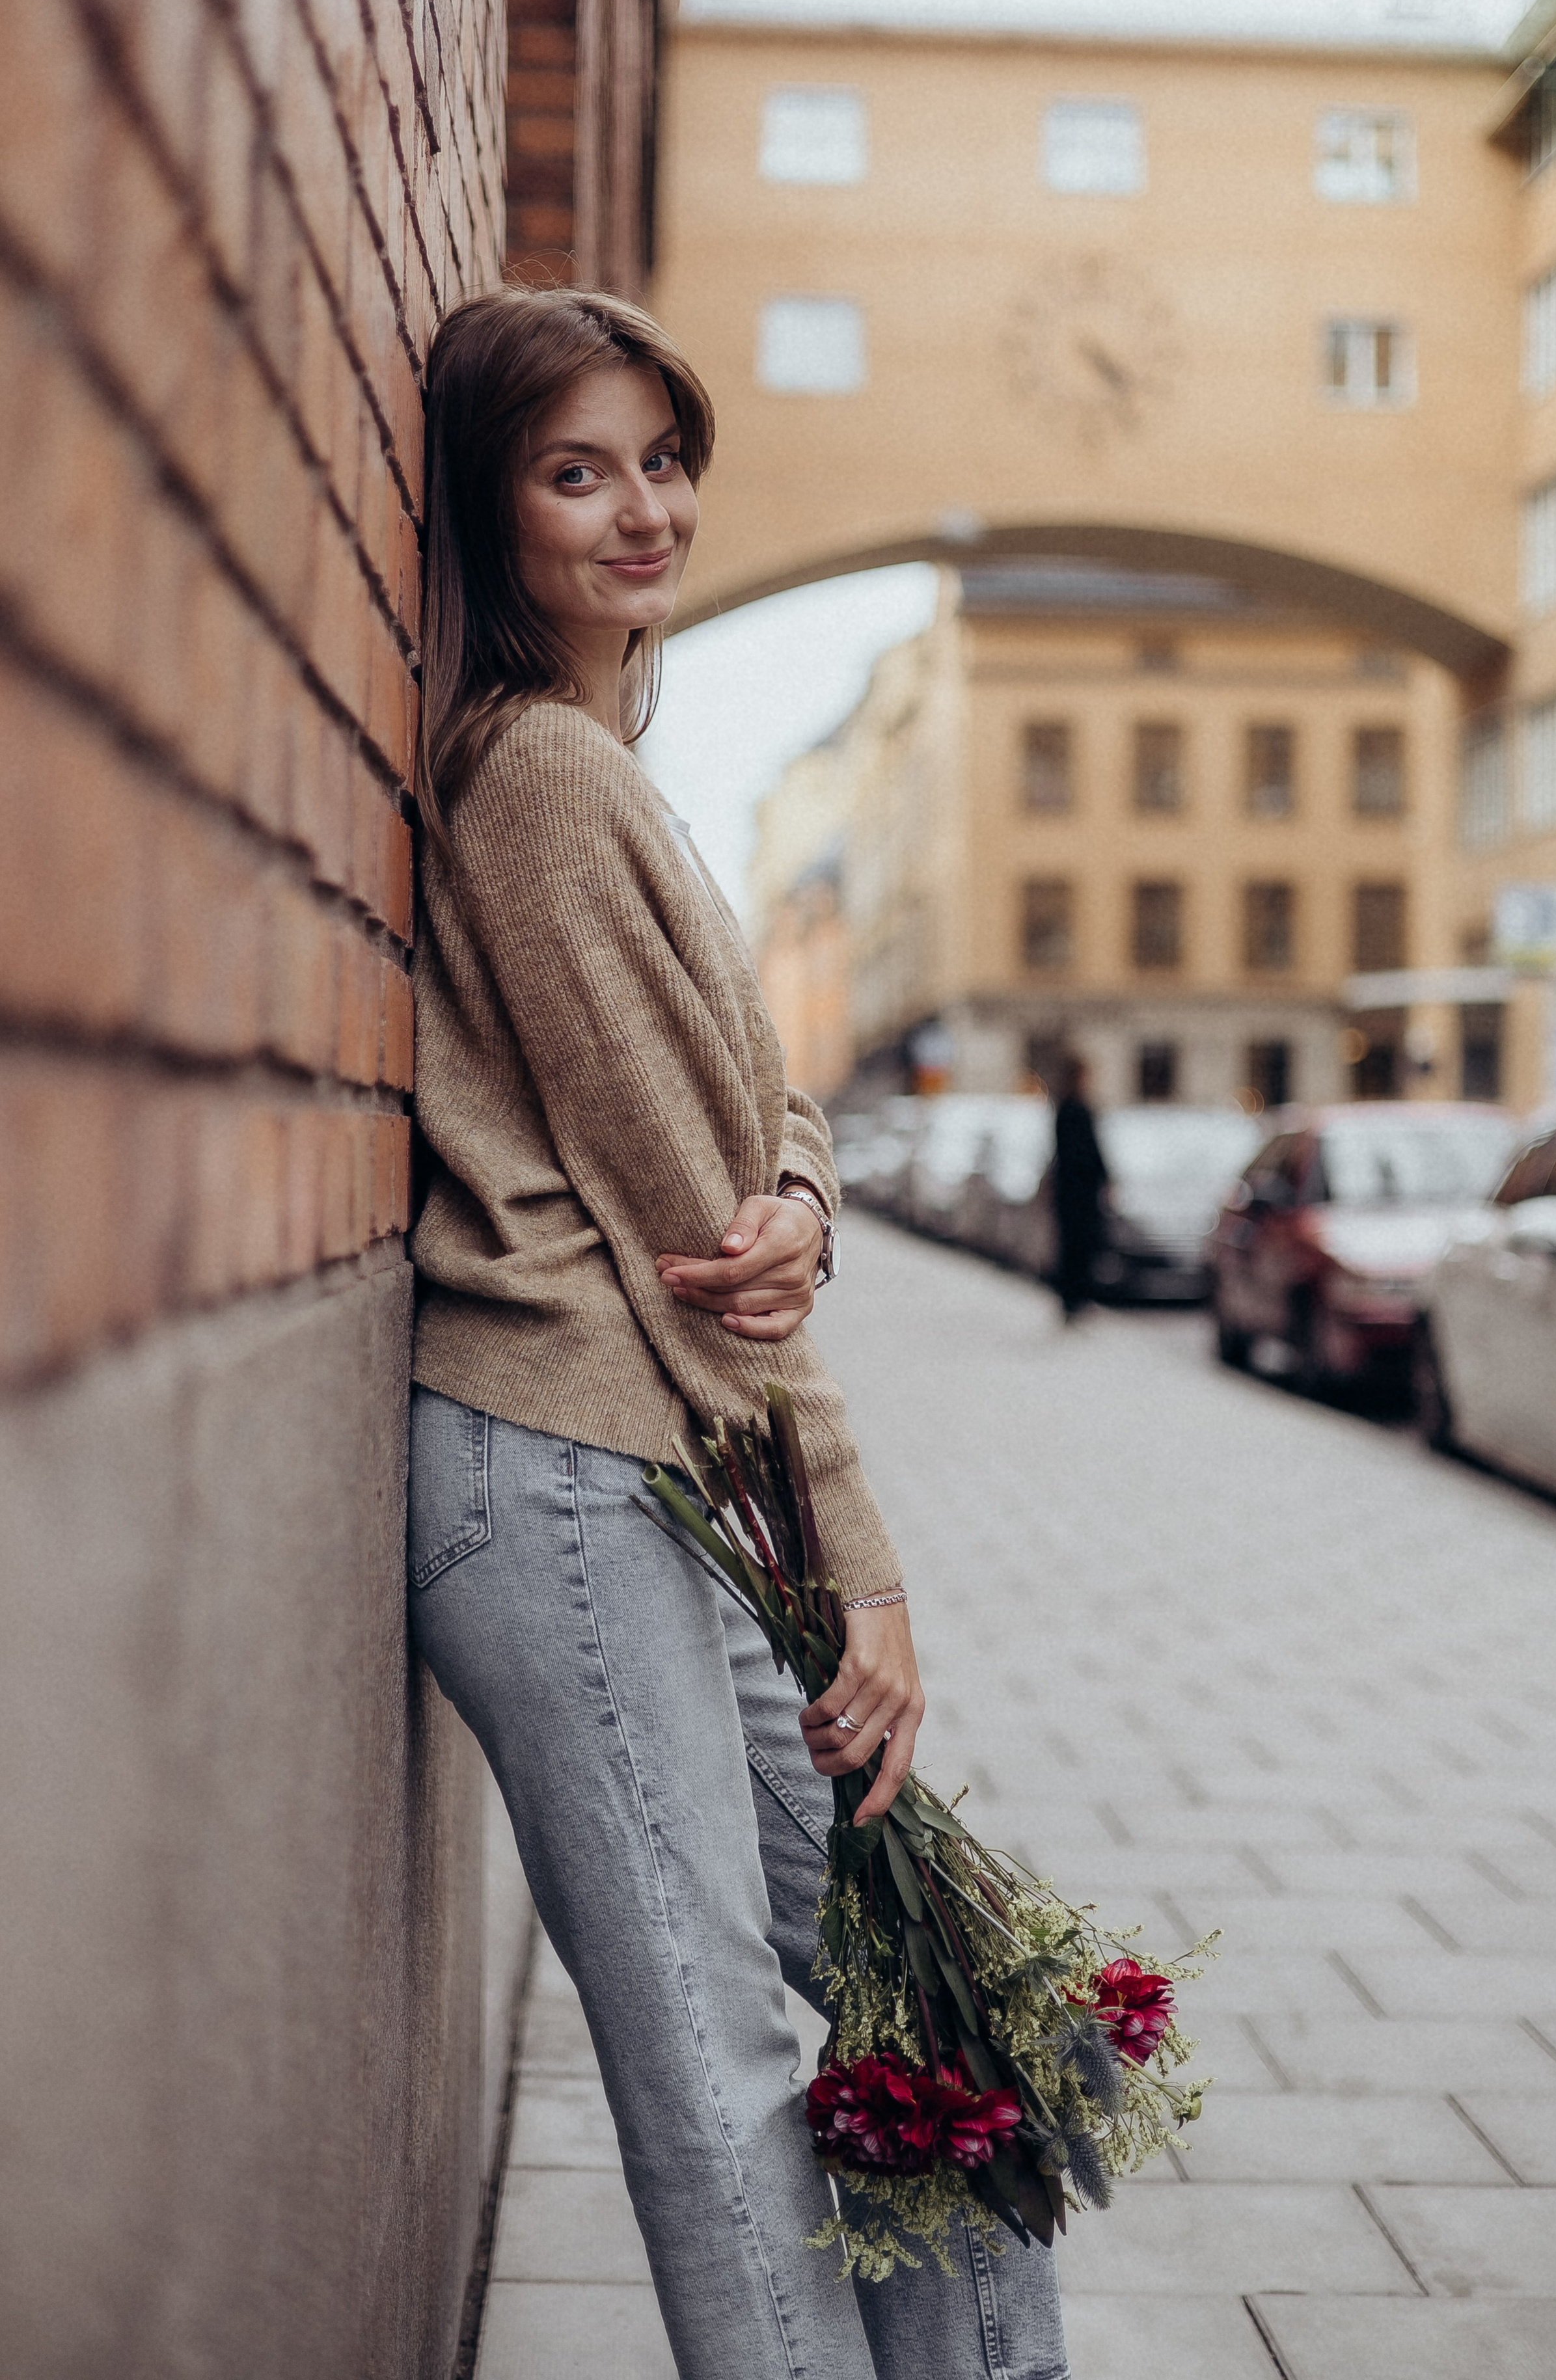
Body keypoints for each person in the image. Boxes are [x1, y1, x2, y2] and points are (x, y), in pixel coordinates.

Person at [406, 287, 1069, 2380]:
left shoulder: (615, 775)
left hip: (657, 1469)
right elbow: (703, 1231)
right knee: (713, 2069)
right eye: (572, 470)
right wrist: (855, 1556)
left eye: (660, 461)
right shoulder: (538, 783)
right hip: (570, 1465)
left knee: (935, 1984)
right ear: (486, 512)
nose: (641, 511)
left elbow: (757, 1109)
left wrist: (804, 1182)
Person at [1052, 1058, 1107, 1321]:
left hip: (1073, 1191)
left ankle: (1074, 1298)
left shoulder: (1067, 1108)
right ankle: (1074, 1298)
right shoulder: (1075, 1109)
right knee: (1077, 1245)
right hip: (1079, 1192)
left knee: (1075, 1246)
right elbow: (1088, 1153)